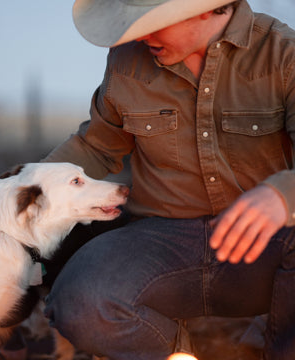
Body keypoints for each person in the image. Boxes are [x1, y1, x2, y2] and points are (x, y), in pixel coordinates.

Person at [41, 0, 295, 359]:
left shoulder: (284, 53)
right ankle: (174, 352)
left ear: (206, 9)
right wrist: (17, 189)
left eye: (152, 21)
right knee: (80, 303)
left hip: (267, 243)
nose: (140, 34)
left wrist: (282, 195)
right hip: (161, 242)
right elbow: (96, 147)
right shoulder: (127, 60)